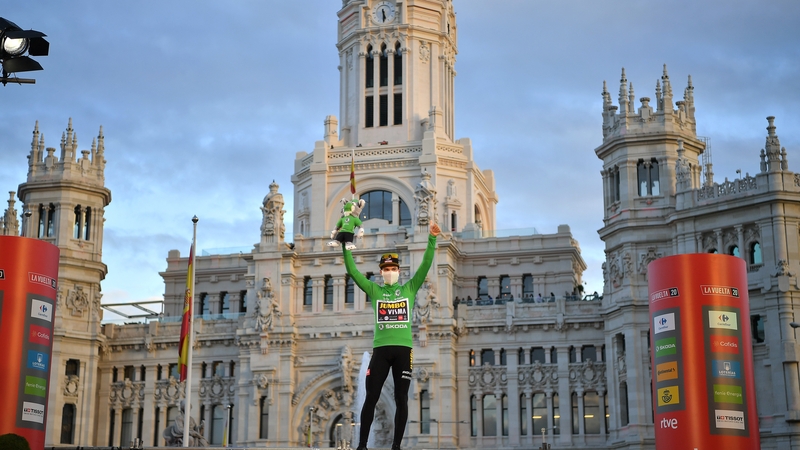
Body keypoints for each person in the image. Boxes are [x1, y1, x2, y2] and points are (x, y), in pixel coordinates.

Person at [344, 222, 441, 450]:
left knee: (401, 398)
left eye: (393, 269)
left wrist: (432, 239)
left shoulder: (408, 289)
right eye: (386, 269)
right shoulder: (375, 290)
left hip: (403, 351)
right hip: (380, 350)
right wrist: (345, 248)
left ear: (398, 271)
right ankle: (362, 445)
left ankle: (396, 446)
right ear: (381, 272)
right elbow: (353, 272)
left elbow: (425, 265)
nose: (390, 272)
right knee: (371, 397)